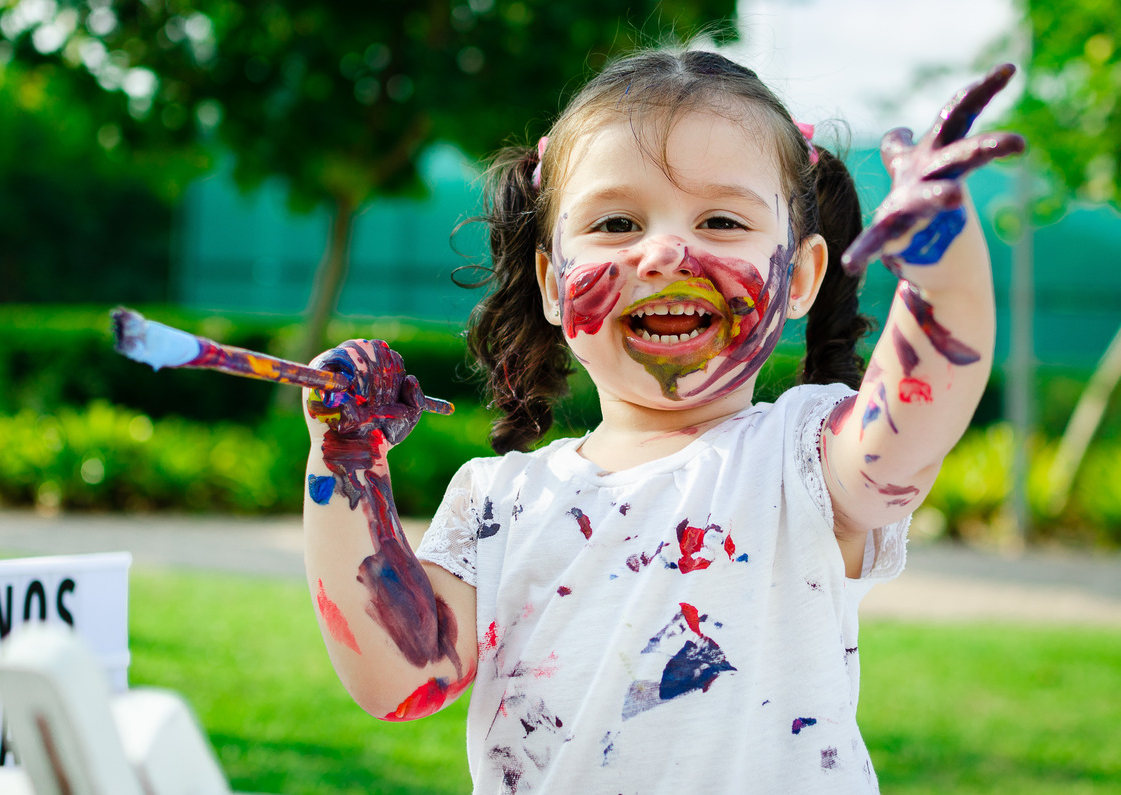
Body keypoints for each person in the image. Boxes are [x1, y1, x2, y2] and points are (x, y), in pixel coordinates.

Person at [300, 46, 1024, 793]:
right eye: (617, 222)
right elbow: (400, 677)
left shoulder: (803, 460)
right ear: (553, 284)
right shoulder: (499, 502)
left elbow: (918, 412)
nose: (667, 251)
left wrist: (942, 272)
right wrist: (346, 458)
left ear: (801, 276)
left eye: (720, 219)